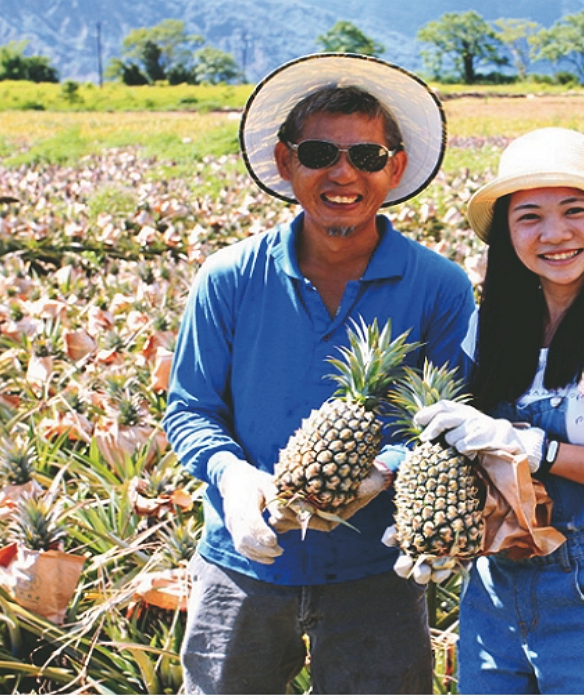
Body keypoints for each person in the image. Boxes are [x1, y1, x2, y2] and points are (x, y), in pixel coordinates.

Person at [162, 54, 475, 694]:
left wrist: (383, 466)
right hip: (241, 563)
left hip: (377, 571)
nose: (342, 173)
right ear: (285, 163)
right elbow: (190, 408)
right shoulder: (229, 278)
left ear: (395, 167)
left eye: (365, 156)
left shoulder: (440, 287)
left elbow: (450, 419)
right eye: (318, 152)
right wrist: (232, 475)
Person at [415, 127, 584, 694]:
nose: (554, 234)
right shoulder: (490, 323)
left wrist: (538, 449)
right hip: (496, 579)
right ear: (507, 233)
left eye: (574, 211)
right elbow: (453, 432)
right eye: (530, 217)